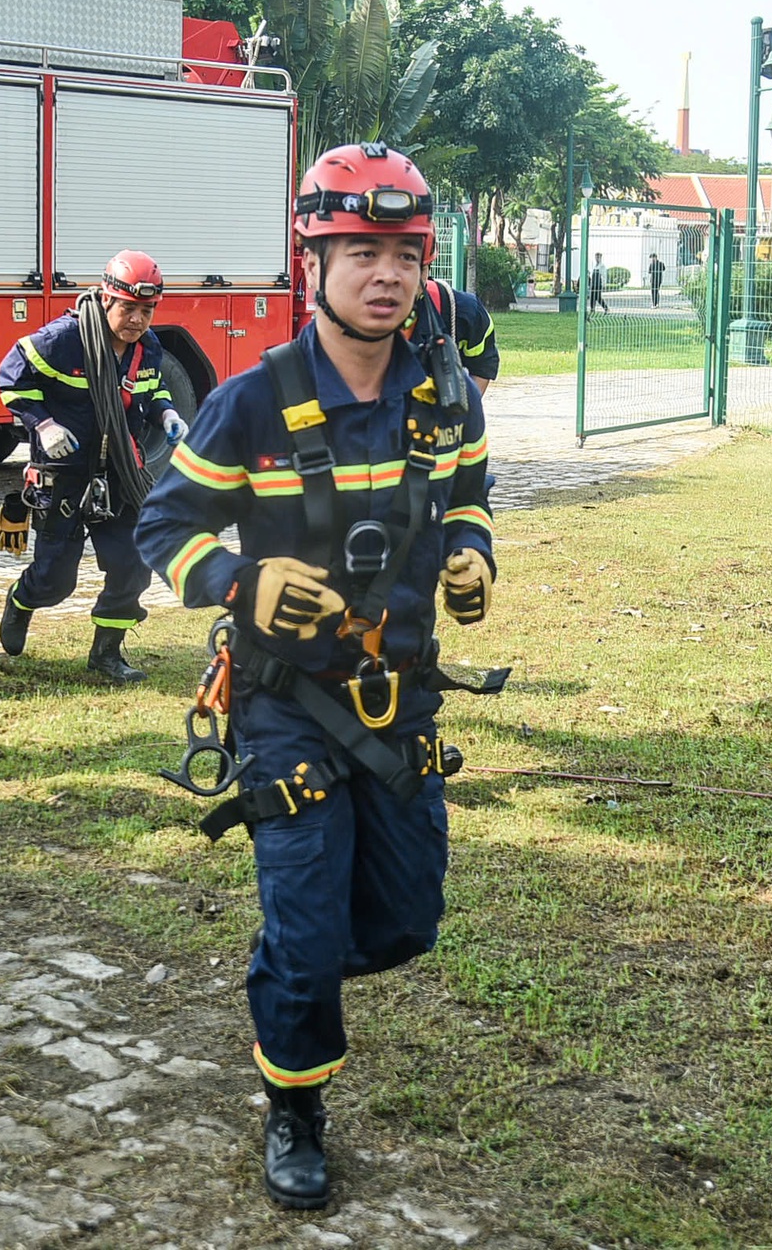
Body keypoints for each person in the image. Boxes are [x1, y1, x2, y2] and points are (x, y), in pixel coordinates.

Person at [135, 143, 497, 1211]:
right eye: (358, 253)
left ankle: (290, 970)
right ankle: (293, 1108)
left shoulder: (443, 396)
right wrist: (239, 582)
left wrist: (474, 555)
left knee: (400, 924)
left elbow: (470, 496)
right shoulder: (249, 403)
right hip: (285, 707)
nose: (382, 275)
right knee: (303, 934)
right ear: (312, 263)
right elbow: (165, 524)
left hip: (401, 701)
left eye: (400, 253)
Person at [0, 250, 188, 683]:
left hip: (121, 473)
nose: (137, 319)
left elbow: (151, 393)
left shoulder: (148, 349)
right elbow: (11, 378)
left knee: (132, 563)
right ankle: (23, 601)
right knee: (55, 579)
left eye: (146, 310)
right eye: (128, 308)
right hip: (64, 474)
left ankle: (106, 653)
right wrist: (42, 425)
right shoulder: (63, 339)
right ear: (105, 299)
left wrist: (167, 414)